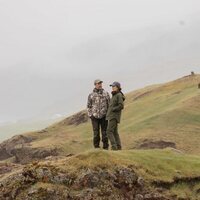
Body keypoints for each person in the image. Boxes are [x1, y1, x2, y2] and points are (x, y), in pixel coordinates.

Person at [87, 79, 110, 149]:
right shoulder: (91, 95)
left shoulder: (106, 93)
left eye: (100, 83)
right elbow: (88, 106)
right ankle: (96, 147)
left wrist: (108, 114)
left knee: (104, 133)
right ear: (95, 85)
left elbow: (109, 104)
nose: (100, 85)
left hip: (104, 116)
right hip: (94, 117)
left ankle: (105, 147)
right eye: (98, 83)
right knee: (96, 133)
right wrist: (90, 115)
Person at [106, 81, 125, 150]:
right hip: (112, 116)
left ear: (118, 87)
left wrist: (113, 109)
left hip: (114, 116)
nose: (112, 88)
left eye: (114, 86)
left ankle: (114, 147)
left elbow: (121, 105)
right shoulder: (115, 95)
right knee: (115, 132)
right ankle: (119, 147)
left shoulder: (118, 95)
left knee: (109, 131)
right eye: (112, 87)